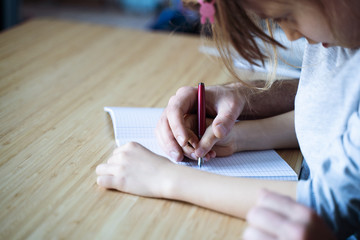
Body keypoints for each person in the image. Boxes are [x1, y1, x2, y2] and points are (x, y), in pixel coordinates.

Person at [96, 0, 360, 239]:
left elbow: (325, 207)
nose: (291, 36)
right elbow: (332, 112)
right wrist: (240, 137)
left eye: (285, 16)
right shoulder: (342, 30)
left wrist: (165, 178)